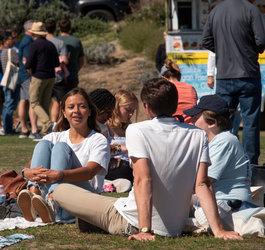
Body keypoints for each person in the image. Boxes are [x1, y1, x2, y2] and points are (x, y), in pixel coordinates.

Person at [52, 78, 242, 241]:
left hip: (130, 219)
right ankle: (87, 221)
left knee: (59, 189)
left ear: (147, 108)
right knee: (89, 213)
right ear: (174, 105)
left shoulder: (137, 130)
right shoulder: (198, 135)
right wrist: (219, 230)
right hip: (174, 225)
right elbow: (202, 185)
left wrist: (144, 230)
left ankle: (58, 206)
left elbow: (143, 179)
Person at [17, 88, 110, 223]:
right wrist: (26, 173)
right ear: (64, 113)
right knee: (43, 144)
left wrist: (59, 175)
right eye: (71, 107)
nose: (76, 111)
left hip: (83, 199)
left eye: (82, 107)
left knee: (61, 147)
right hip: (51, 201)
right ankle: (34, 194)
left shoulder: (98, 139)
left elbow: (90, 172)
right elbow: (30, 166)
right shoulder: (55, 136)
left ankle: (53, 201)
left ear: (90, 111)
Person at [202, 0, 265, 165]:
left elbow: (206, 41)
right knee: (250, 121)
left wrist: (224, 49)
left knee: (220, 121)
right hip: (248, 74)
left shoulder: (215, 11)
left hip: (223, 76)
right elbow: (261, 41)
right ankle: (250, 164)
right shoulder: (252, 10)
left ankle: (221, 161)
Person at [183, 94, 252, 204]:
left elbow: (201, 182)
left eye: (195, 118)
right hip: (217, 199)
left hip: (229, 203)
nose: (192, 122)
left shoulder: (224, 140)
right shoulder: (217, 141)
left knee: (172, 202)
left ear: (212, 122)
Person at [25, 22, 59, 139]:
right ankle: (45, 132)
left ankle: (47, 123)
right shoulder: (50, 44)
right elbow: (57, 63)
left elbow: (28, 64)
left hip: (38, 76)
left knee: (34, 102)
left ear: (33, 33)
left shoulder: (34, 45)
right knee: (44, 103)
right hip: (51, 77)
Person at [105, 90, 138, 187]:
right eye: (127, 110)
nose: (131, 114)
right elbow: (102, 148)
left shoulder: (129, 127)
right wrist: (122, 148)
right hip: (113, 166)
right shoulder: (106, 127)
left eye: (133, 111)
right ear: (116, 107)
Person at [45, 19, 69, 125]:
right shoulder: (60, 43)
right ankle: (56, 123)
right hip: (57, 76)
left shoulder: (40, 42)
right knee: (59, 101)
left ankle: (45, 124)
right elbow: (65, 60)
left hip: (43, 76)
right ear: (55, 29)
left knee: (43, 102)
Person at [17, 20, 38, 139]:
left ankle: (24, 129)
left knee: (24, 101)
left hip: (22, 75)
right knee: (32, 101)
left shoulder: (25, 40)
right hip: (27, 76)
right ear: (30, 29)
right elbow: (26, 61)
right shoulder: (29, 41)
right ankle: (33, 129)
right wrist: (32, 74)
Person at [161, 58, 198, 124]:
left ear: (163, 78)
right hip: (192, 125)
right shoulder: (190, 88)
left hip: (174, 125)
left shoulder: (166, 89)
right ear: (179, 76)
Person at [0, 31, 20, 135]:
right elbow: (19, 64)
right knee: (10, 104)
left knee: (8, 104)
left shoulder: (3, 52)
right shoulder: (10, 52)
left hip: (6, 81)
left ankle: (7, 127)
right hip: (11, 81)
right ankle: (8, 128)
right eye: (11, 39)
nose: (13, 41)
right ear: (5, 41)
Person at [57, 18, 84, 91]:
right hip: (72, 75)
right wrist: (75, 70)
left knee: (58, 100)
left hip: (58, 76)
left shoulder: (55, 41)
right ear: (70, 28)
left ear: (59, 28)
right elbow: (81, 61)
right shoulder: (76, 41)